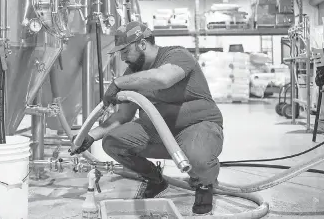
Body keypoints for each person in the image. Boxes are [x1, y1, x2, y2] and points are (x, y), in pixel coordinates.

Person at [71, 21, 224, 215]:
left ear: (142, 44)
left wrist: (119, 82)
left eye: (125, 51)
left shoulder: (177, 55)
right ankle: (154, 179)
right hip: (159, 132)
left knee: (197, 155)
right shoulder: (133, 74)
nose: (123, 57)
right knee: (113, 142)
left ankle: (203, 185)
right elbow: (123, 116)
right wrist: (90, 135)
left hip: (197, 126)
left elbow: (163, 78)